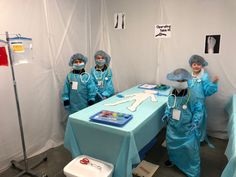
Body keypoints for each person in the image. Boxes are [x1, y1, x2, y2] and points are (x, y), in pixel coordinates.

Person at [162, 68, 204, 177]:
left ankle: (192, 171)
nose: (179, 83)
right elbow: (169, 105)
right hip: (173, 126)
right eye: (177, 81)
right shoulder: (172, 92)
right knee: (171, 145)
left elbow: (198, 110)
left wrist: (195, 122)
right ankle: (174, 161)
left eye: (182, 81)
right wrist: (167, 114)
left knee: (190, 150)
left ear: (186, 81)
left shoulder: (192, 94)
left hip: (187, 127)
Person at [188, 54, 219, 145]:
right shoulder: (189, 77)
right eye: (194, 64)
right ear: (191, 65)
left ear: (202, 65)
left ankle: (199, 139)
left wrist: (214, 82)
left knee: (198, 121)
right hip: (189, 103)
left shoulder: (204, 77)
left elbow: (207, 90)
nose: (196, 66)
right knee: (189, 119)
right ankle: (190, 137)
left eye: (198, 64)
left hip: (199, 104)